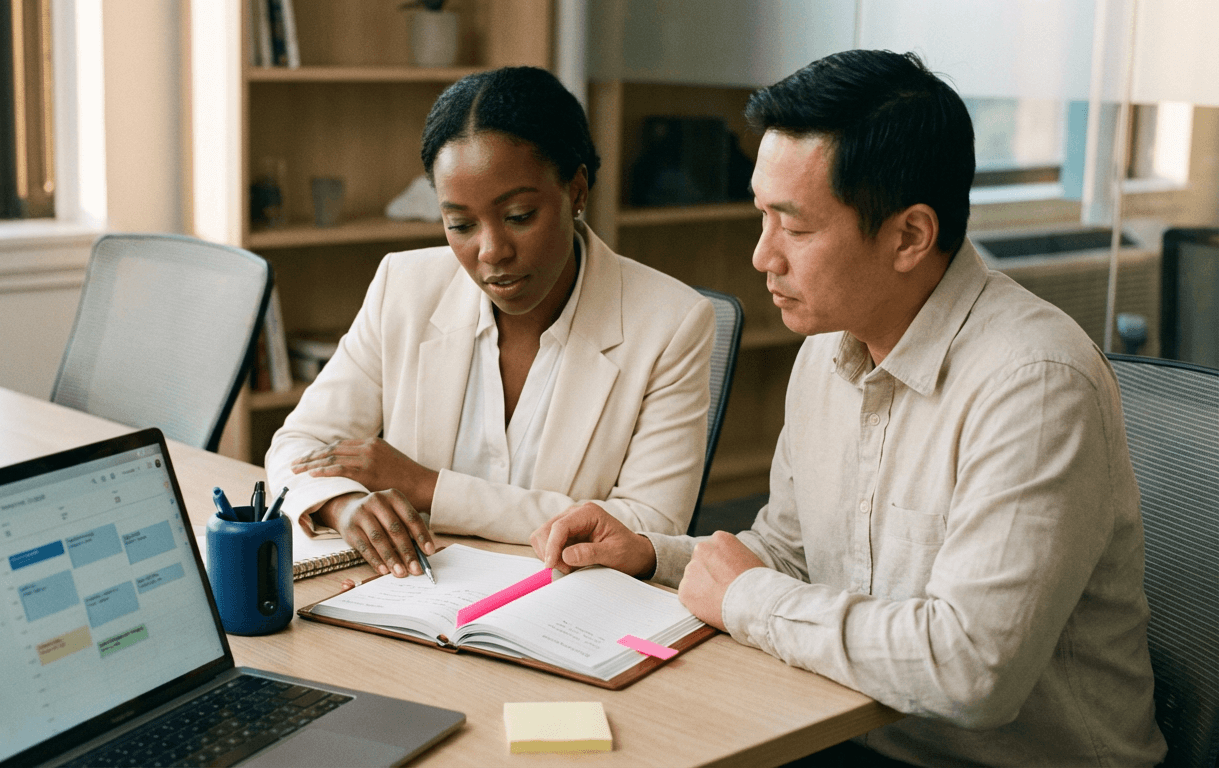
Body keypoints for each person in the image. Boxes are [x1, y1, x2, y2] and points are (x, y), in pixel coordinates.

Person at [531, 50, 1167, 766]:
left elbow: (971, 672)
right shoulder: (828, 350)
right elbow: (793, 557)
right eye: (762, 216)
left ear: (910, 236)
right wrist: (653, 556)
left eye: (795, 229)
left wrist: (746, 598)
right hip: (847, 731)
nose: (762, 256)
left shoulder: (1035, 384)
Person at [265, 66, 715, 582]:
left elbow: (650, 526)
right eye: (460, 224)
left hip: (563, 603)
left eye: (519, 216)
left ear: (576, 191)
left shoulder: (671, 323)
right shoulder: (404, 287)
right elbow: (299, 445)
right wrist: (342, 505)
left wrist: (429, 488)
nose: (491, 251)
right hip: (416, 598)